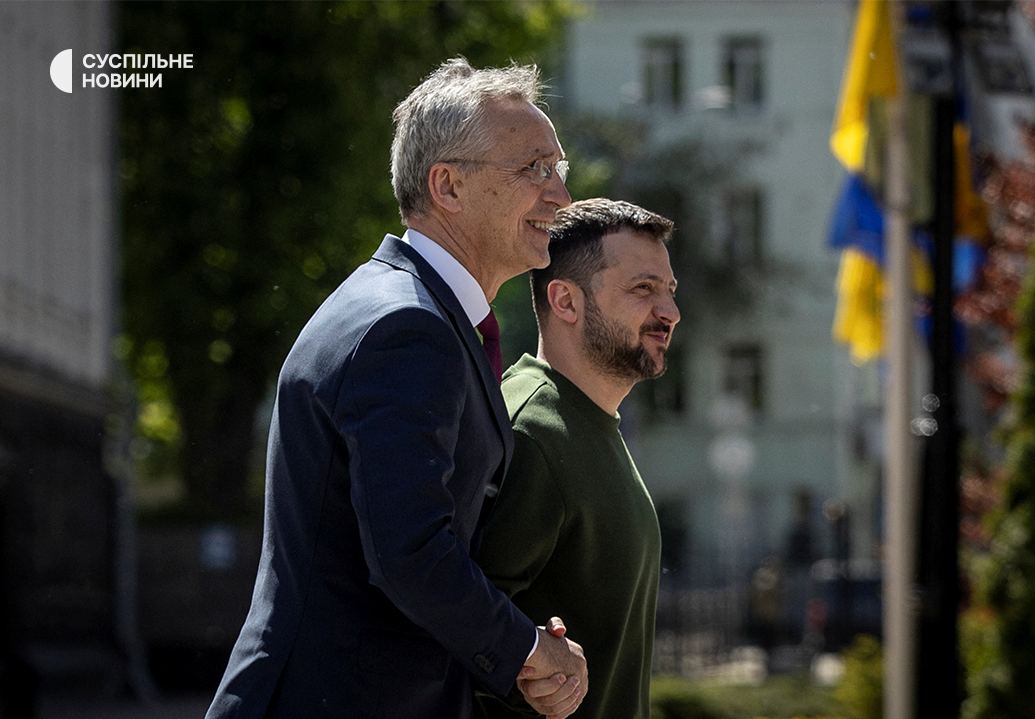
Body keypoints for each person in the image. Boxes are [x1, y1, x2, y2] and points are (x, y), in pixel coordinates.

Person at [206, 58, 588, 719]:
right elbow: (409, 552)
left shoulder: (407, 309)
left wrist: (518, 642)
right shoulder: (408, 328)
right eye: (534, 169)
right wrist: (527, 649)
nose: (561, 195)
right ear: (448, 185)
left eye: (559, 169)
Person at [474, 198, 681, 718]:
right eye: (643, 289)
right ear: (565, 301)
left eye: (670, 291)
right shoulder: (531, 431)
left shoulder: (589, 423)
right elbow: (455, 633)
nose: (670, 313)